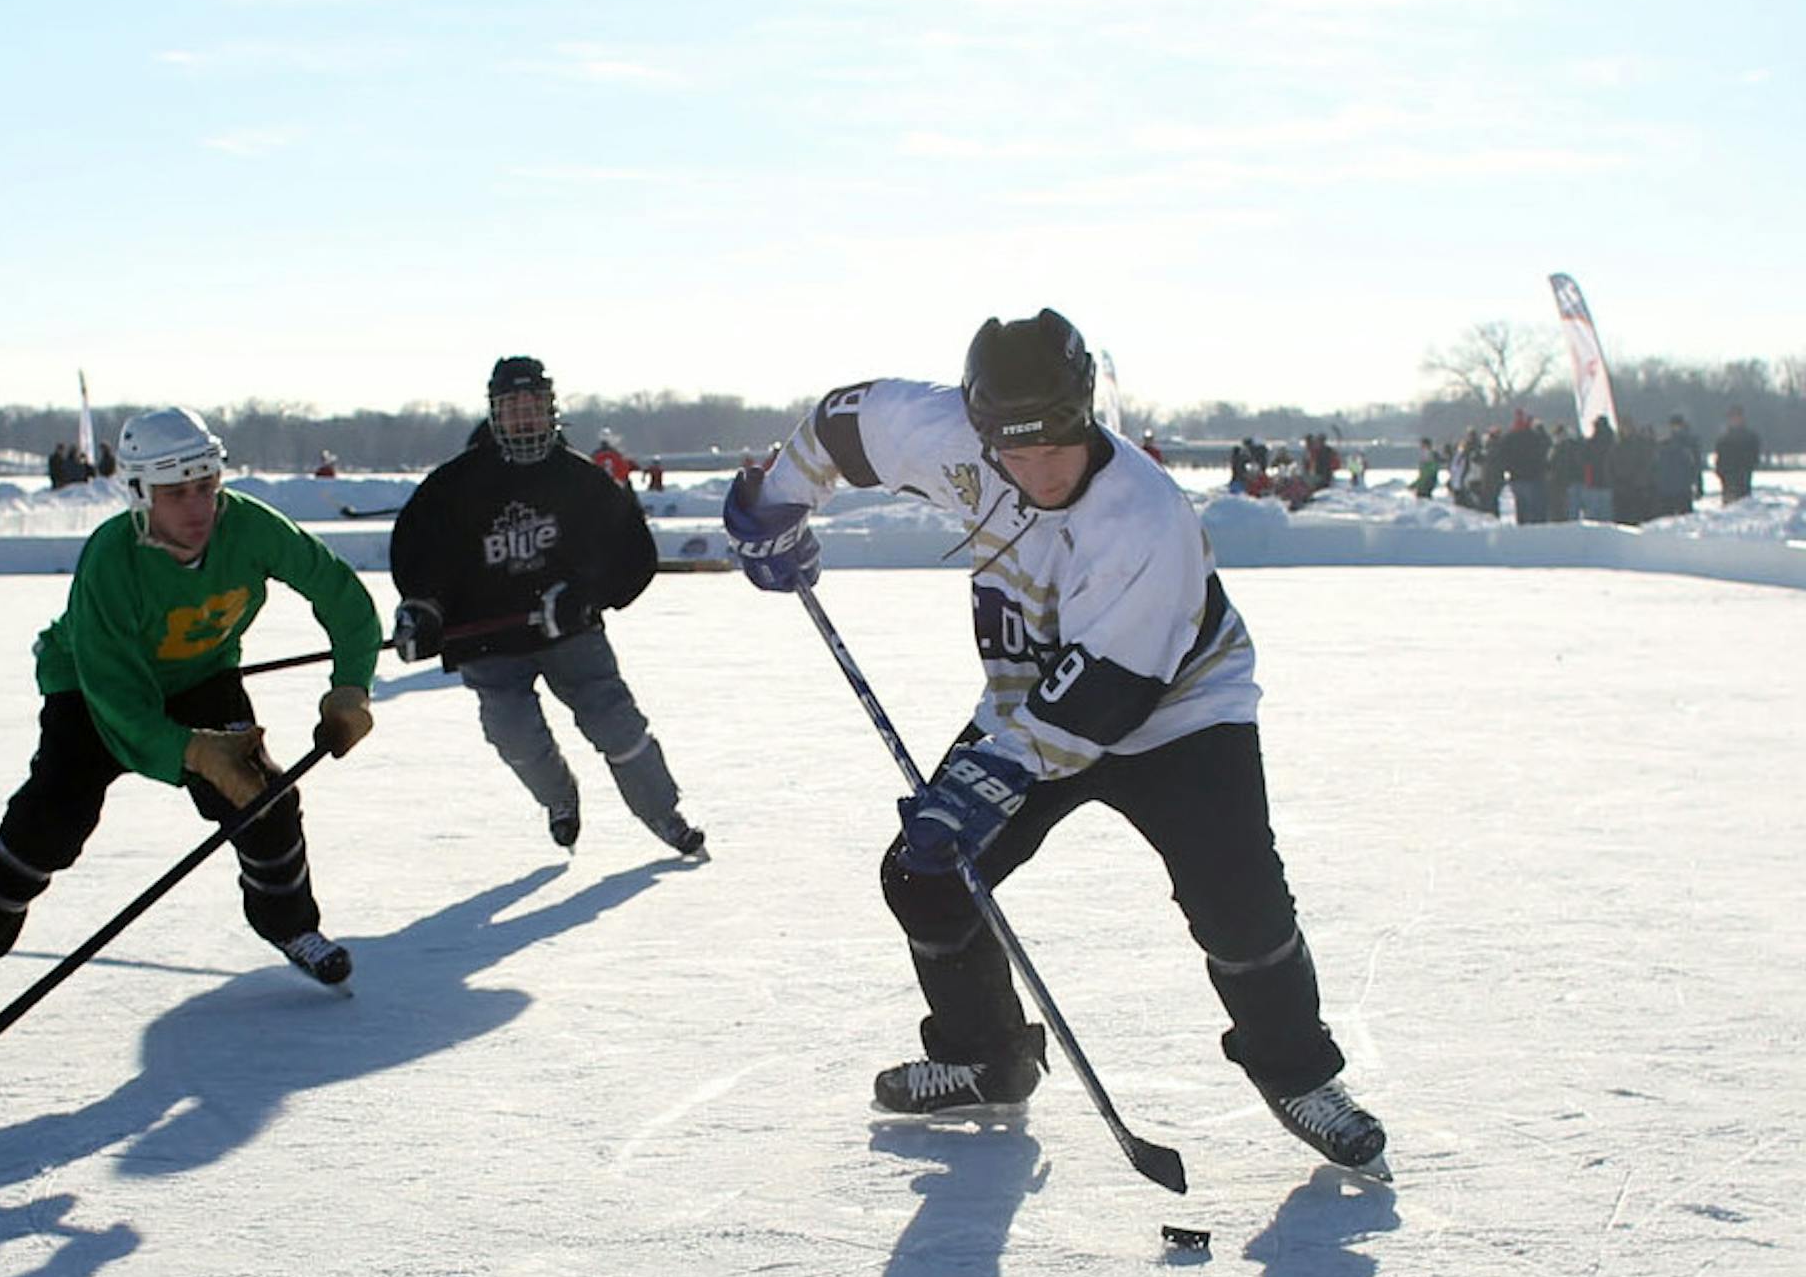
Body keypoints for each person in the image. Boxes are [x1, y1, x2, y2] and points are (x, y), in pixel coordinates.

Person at [720, 307, 1388, 1177]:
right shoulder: (942, 433)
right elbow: (841, 426)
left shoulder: (1144, 518)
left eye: (1056, 449)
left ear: (1086, 416)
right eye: (1015, 452)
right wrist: (774, 501)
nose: (1037, 472)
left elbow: (1102, 699)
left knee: (1238, 902)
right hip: (1031, 700)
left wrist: (985, 782)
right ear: (981, 427)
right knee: (926, 878)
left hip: (1178, 710)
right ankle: (985, 1058)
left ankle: (1300, 1075)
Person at [0, 405, 379, 1012]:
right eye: (176, 493)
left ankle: (290, 925)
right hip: (91, 688)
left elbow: (341, 596)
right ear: (138, 493)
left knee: (265, 800)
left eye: (206, 487)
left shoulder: (251, 528)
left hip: (202, 676)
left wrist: (351, 688)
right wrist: (193, 751)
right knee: (52, 819)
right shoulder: (111, 558)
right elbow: (120, 704)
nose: (198, 507)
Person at [389, 355, 704, 858]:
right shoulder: (452, 487)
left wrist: (586, 596)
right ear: (494, 413)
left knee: (616, 723)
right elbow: (419, 559)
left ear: (550, 409)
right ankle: (560, 799)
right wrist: (424, 610)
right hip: (488, 642)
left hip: (571, 636)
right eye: (512, 406)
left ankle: (664, 814)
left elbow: (633, 554)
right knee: (512, 734)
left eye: (532, 404)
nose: (523, 417)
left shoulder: (582, 479)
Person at [1713, 406, 1760, 504]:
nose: (1735, 420)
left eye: (1738, 417)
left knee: (1743, 504)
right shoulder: (1724, 438)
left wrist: (1747, 467)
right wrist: (1720, 471)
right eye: (1733, 417)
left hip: (1743, 477)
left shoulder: (1750, 437)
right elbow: (1719, 457)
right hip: (1728, 478)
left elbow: (1754, 456)